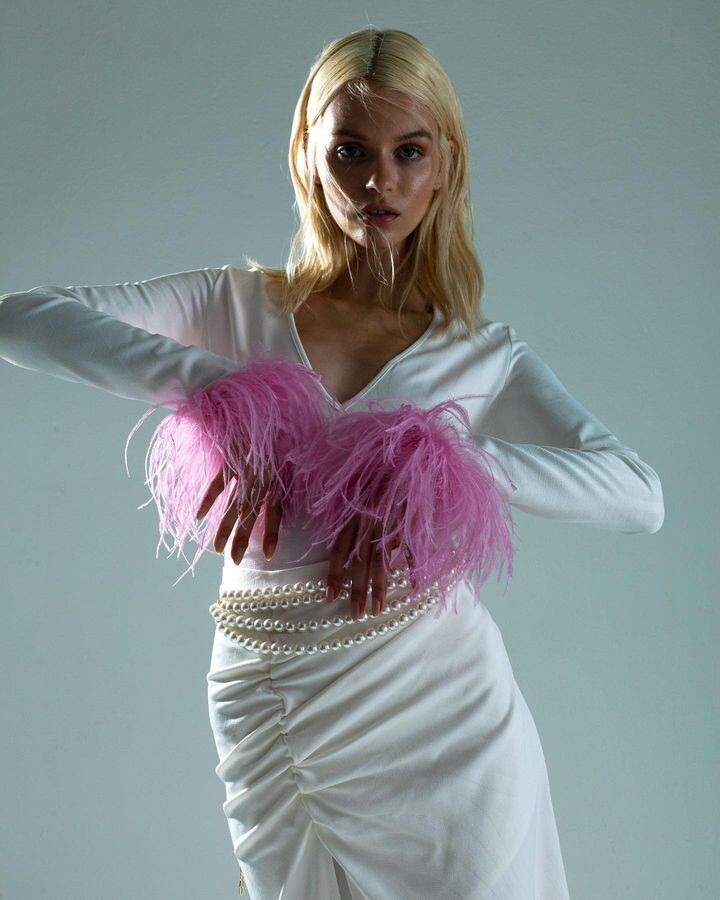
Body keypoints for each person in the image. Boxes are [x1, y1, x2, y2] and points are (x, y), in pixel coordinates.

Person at [0, 26, 664, 900]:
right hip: (271, 690)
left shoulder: (481, 354)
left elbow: (639, 496)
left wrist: (437, 457)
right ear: (308, 156)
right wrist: (226, 393)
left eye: (408, 152)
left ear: (444, 165)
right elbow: (20, 317)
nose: (378, 181)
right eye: (350, 151)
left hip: (440, 708)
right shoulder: (235, 303)